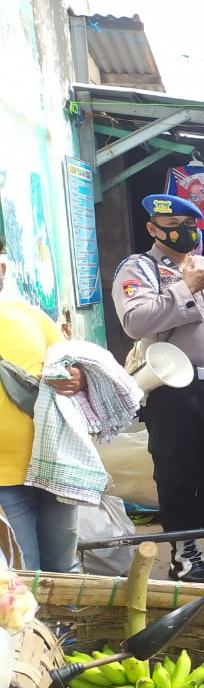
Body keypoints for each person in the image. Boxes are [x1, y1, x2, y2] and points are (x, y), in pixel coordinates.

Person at [112, 194, 204, 583]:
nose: (185, 232)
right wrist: (184, 288)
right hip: (172, 391)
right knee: (177, 472)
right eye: (174, 226)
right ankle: (184, 553)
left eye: (190, 225)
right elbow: (135, 322)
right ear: (153, 229)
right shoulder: (140, 269)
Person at [0, 235, 85, 572]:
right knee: (22, 574)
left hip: (55, 467)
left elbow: (75, 364)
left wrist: (78, 377)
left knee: (64, 569)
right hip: (4, 482)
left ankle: (67, 611)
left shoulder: (31, 317)